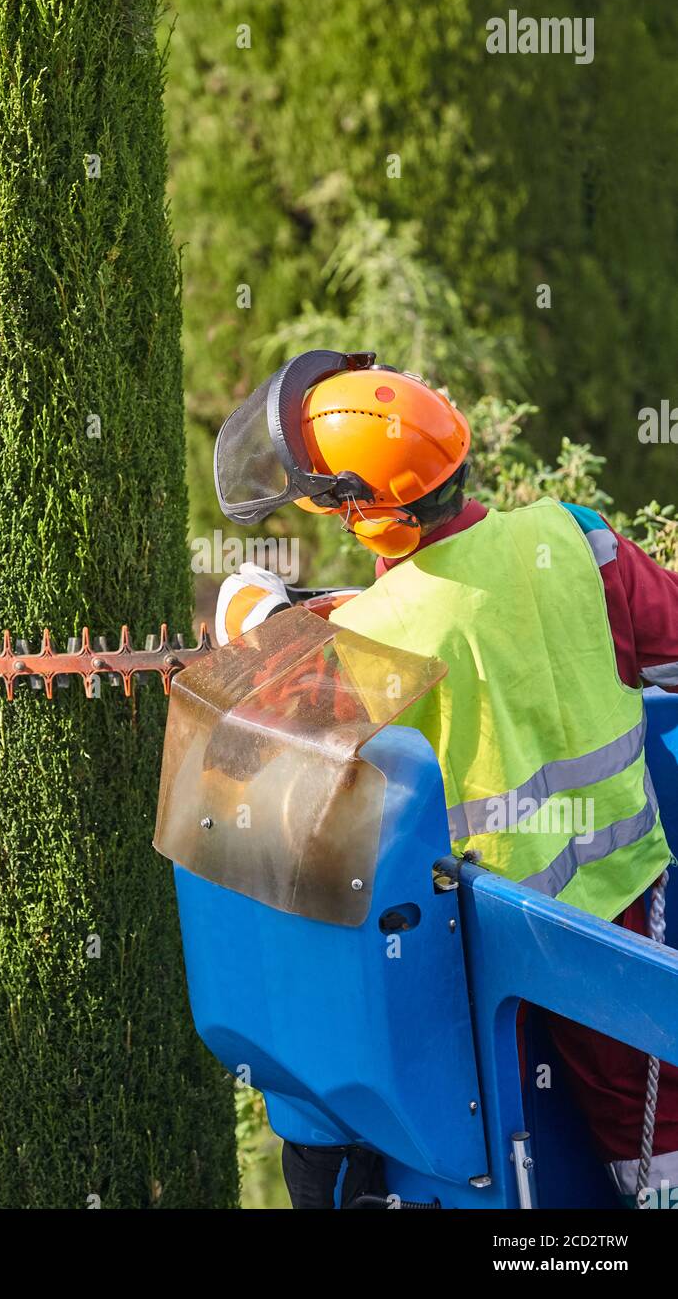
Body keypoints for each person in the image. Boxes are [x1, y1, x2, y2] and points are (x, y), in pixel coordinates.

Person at [213, 349, 678, 1209]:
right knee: (651, 1139)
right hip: (627, 907)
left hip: (480, 944)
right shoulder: (574, 537)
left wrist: (257, 617)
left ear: (369, 516)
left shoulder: (379, 635)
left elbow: (252, 749)